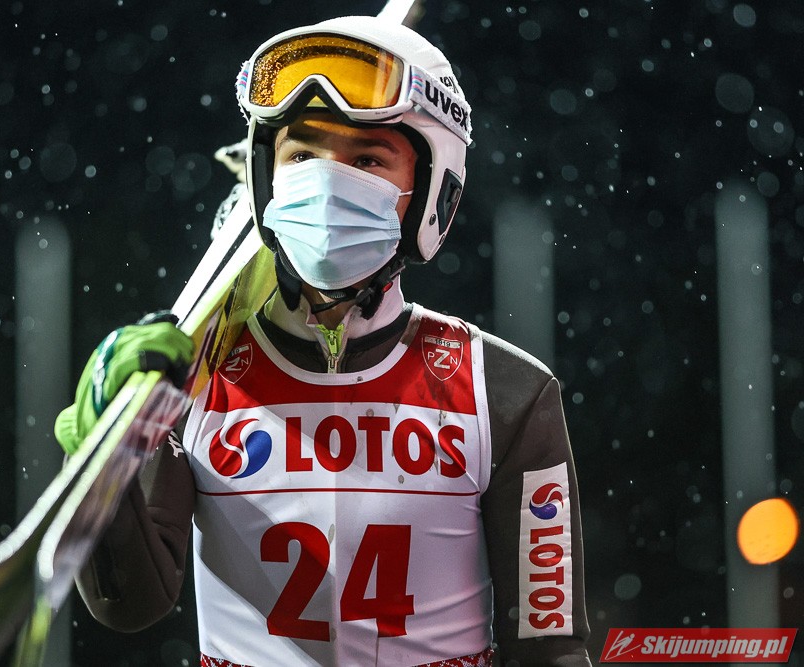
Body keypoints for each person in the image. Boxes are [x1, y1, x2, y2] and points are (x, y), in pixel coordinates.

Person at [54, 15, 592, 667]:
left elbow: (550, 647)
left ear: (432, 192)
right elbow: (129, 604)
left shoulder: (502, 392)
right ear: (264, 178)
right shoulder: (199, 369)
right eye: (303, 155)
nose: (329, 184)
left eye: (368, 159)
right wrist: (100, 457)